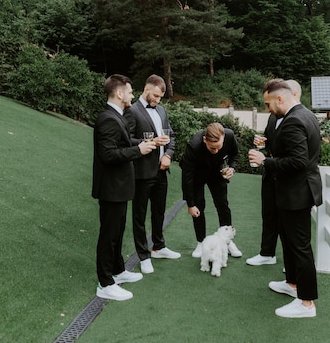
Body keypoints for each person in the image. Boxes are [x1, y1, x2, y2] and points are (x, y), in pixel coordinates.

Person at [248, 78, 322, 318]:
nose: (268, 109)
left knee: (300, 247)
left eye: (268, 104)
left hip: (297, 193)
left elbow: (299, 161)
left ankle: (307, 303)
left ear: (280, 98)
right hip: (293, 192)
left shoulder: (294, 121)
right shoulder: (305, 114)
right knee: (290, 242)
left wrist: (265, 161)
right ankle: (292, 284)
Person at [92, 74, 156, 301]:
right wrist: (139, 151)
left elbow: (124, 142)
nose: (131, 95)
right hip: (111, 188)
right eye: (129, 92)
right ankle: (105, 282)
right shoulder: (108, 118)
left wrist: (143, 143)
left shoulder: (116, 115)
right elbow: (108, 155)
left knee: (117, 232)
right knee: (109, 235)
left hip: (119, 187)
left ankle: (118, 271)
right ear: (119, 93)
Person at [126, 74, 180, 275]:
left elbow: (170, 136)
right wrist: (148, 143)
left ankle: (159, 246)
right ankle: (143, 255)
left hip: (161, 171)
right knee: (139, 215)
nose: (157, 100)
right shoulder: (131, 110)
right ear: (147, 89)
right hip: (141, 172)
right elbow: (126, 139)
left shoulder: (162, 110)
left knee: (159, 211)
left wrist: (168, 155)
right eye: (155, 96)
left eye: (160, 98)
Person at [246, 79, 302, 267]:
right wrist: (263, 141)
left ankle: (291, 266)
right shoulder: (273, 116)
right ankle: (267, 252)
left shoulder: (295, 118)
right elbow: (273, 142)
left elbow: (297, 155)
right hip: (271, 173)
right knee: (268, 214)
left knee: (287, 223)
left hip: (286, 176)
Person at [180, 122, 242, 258]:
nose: (216, 151)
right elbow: (187, 177)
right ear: (204, 140)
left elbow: (235, 156)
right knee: (198, 206)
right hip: (197, 175)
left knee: (222, 205)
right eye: (212, 148)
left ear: (224, 138)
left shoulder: (229, 136)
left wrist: (232, 167)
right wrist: (190, 204)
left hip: (218, 174)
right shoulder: (193, 146)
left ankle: (227, 241)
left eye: (219, 147)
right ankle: (200, 242)